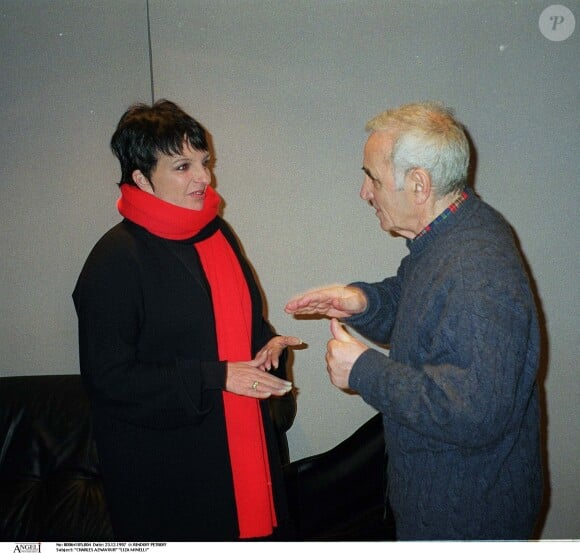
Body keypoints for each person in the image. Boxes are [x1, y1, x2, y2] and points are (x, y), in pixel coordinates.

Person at [285, 101, 543, 540]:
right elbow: (414, 299)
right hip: (448, 501)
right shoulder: (449, 233)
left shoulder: (476, 269)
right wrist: (362, 301)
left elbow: (473, 412)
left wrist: (363, 370)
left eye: (373, 177)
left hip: (468, 518)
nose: (365, 192)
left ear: (419, 185)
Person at [73, 99, 301, 541]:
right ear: (141, 178)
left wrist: (268, 346)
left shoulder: (217, 232)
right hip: (166, 473)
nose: (204, 177)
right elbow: (107, 379)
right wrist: (214, 377)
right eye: (182, 167)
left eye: (204, 162)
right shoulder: (115, 260)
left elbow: (245, 324)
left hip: (240, 452)